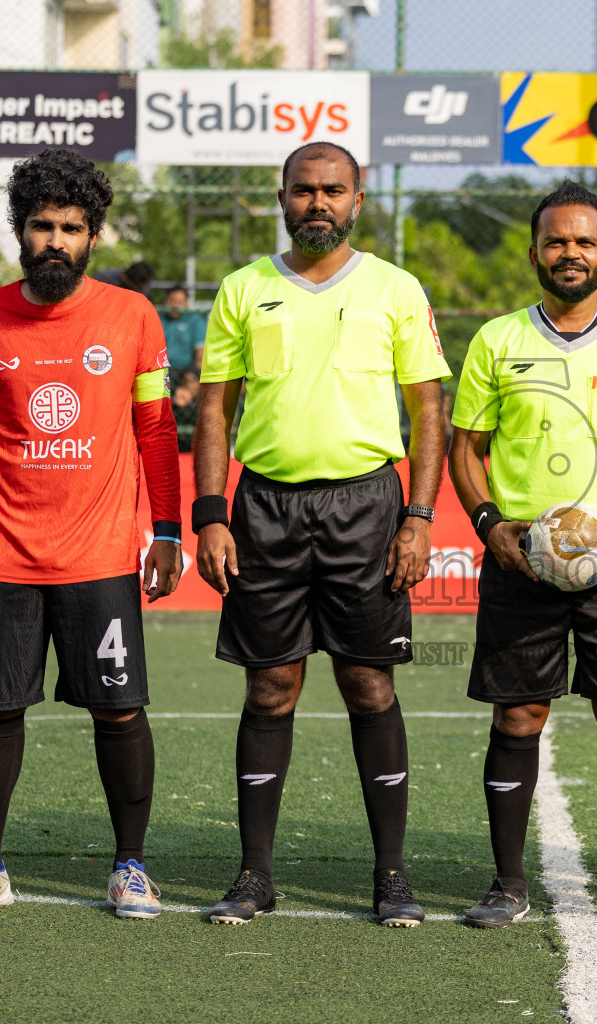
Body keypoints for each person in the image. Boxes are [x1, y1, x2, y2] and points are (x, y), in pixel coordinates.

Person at [193, 141, 450, 928]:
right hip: (264, 508)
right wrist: (209, 512)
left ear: (358, 199)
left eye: (332, 190)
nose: (317, 203)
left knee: (369, 685)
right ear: (281, 197)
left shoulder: (396, 290)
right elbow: (214, 410)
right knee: (270, 688)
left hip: (368, 508)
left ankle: (392, 877)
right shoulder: (243, 289)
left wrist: (418, 516)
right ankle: (254, 876)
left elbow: (428, 410)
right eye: (303, 190)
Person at [0, 148, 183, 920]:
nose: (56, 241)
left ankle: (130, 868)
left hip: (101, 555)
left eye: (72, 227)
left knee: (120, 710)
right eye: (42, 225)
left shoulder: (132, 317)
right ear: (20, 231)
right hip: (4, 555)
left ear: (93, 235)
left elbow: (156, 430)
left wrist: (166, 528)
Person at [448, 181, 597, 931]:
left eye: (584, 242)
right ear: (534, 253)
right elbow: (466, 448)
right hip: (522, 559)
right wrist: (490, 525)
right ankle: (508, 882)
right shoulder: (496, 339)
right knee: (518, 715)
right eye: (557, 242)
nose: (571, 254)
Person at [159, 286, 206, 378]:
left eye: (180, 302)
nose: (175, 305)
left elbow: (200, 354)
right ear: (165, 301)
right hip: (161, 370)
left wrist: (194, 375)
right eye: (172, 301)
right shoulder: (158, 318)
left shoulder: (195, 319)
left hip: (186, 371)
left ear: (186, 303)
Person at [171, 370, 199, 454]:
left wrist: (189, 404)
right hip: (176, 447)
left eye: (191, 382)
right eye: (186, 382)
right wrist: (175, 404)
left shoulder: (201, 403)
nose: (188, 385)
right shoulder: (174, 401)